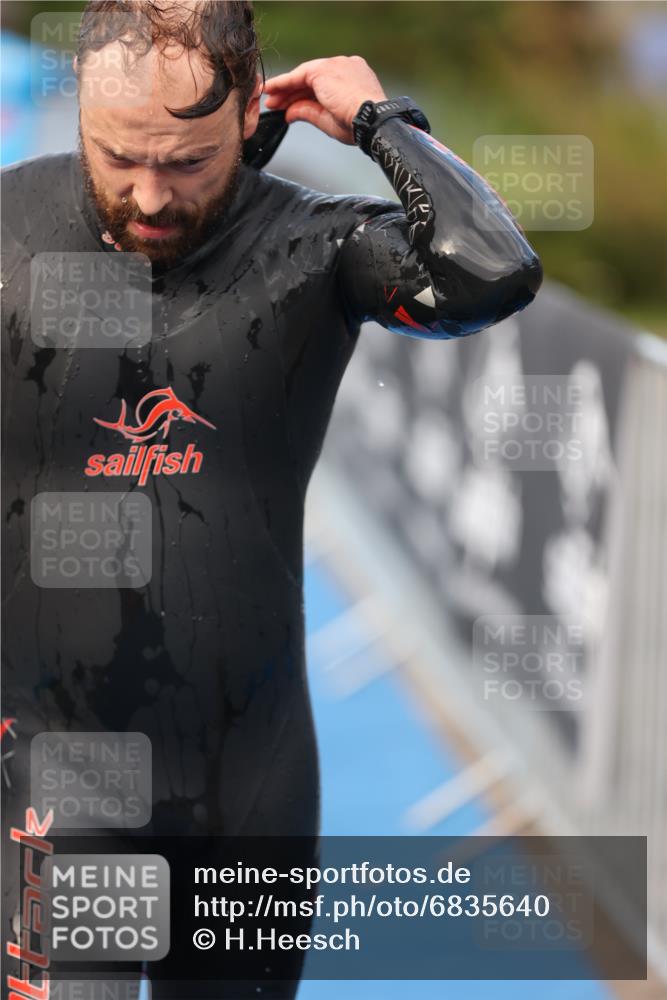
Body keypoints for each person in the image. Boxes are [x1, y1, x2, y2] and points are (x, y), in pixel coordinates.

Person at [1, 2, 542, 997]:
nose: (150, 195)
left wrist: (384, 123)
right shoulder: (8, 233)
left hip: (247, 782)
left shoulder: (314, 245)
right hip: (53, 769)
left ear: (253, 110)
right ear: (77, 111)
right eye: (118, 156)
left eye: (189, 163)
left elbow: (489, 273)